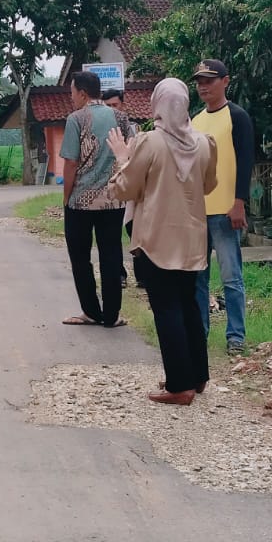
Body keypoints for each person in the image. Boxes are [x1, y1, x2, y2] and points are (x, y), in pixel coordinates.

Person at [107, 79, 218, 405]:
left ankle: (179, 385)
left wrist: (122, 157)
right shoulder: (204, 143)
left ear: (157, 104)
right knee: (188, 304)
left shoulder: (151, 142)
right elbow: (208, 185)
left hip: (157, 238)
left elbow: (125, 188)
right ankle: (197, 375)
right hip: (193, 238)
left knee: (166, 307)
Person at [190, 59, 255, 356]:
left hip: (226, 210)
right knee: (197, 277)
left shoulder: (237, 117)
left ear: (225, 81)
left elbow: (245, 161)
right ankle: (199, 332)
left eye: (209, 80)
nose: (203, 87)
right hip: (197, 212)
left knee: (231, 276)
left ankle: (236, 336)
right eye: (199, 82)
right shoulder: (195, 121)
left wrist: (239, 202)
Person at [60, 70, 127, 328]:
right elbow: (129, 154)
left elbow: (70, 162)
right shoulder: (120, 117)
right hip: (114, 199)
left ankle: (90, 311)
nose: (71, 98)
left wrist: (66, 197)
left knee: (80, 257)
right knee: (111, 255)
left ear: (82, 93)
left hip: (81, 202)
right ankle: (112, 315)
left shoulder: (76, 119)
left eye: (72, 93)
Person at [101, 87, 137, 289]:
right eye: (108, 106)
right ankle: (119, 274)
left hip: (131, 187)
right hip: (109, 189)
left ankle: (142, 275)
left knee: (136, 230)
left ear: (123, 105)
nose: (112, 110)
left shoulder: (133, 130)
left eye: (115, 105)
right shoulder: (99, 130)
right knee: (112, 235)